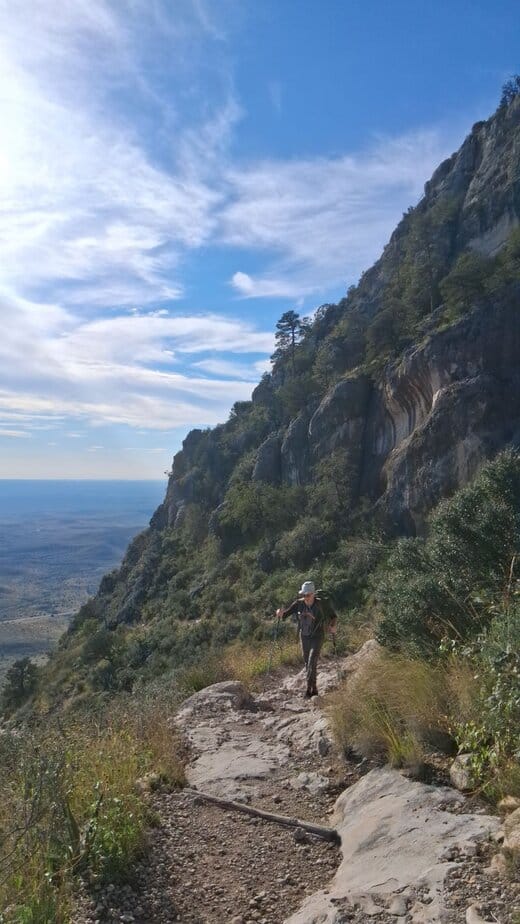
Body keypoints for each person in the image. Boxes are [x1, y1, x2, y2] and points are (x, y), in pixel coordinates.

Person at [276, 580, 337, 699]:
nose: (306, 597)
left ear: (313, 594)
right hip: (304, 636)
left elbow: (333, 616)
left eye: (308, 595)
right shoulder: (298, 604)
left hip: (318, 635)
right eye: (304, 595)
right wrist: (280, 613)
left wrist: (333, 626)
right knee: (307, 662)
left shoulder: (321, 604)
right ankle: (313, 688)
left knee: (312, 660)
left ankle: (310, 689)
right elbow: (285, 615)